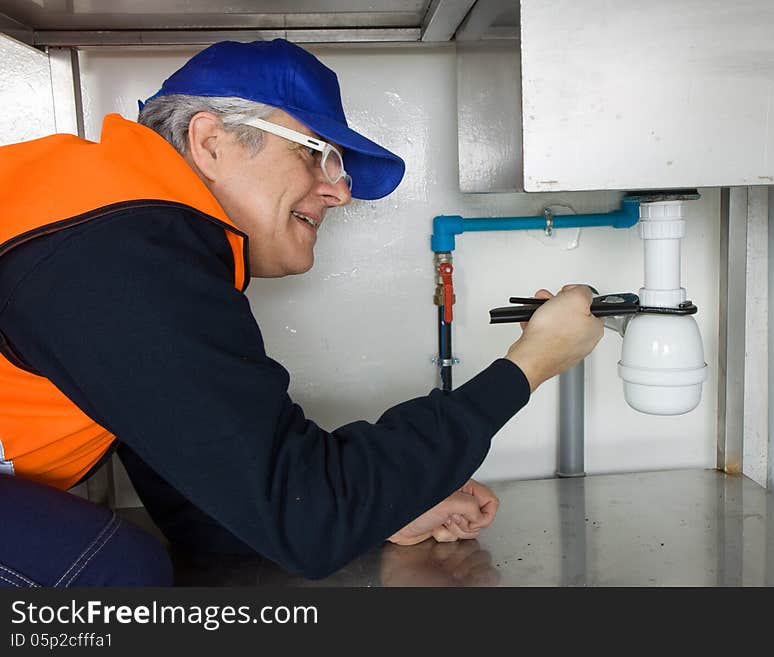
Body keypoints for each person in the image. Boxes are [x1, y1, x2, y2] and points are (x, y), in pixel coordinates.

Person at [0, 39, 604, 586]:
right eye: (319, 156)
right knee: (113, 580)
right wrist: (527, 366)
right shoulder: (117, 255)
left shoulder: (116, 226)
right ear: (211, 141)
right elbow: (309, 516)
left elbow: (202, 485)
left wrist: (383, 506)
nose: (340, 191)